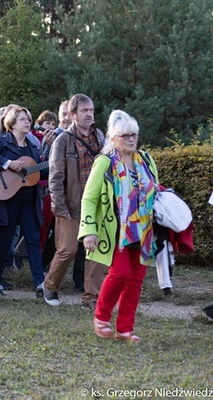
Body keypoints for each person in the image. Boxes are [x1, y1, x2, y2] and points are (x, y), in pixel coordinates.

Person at [80, 110, 158, 342]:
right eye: (125, 135)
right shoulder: (105, 162)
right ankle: (101, 317)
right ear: (114, 138)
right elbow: (89, 198)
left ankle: (125, 330)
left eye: (134, 135)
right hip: (116, 230)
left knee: (136, 280)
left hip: (143, 229)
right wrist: (89, 231)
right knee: (121, 273)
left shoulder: (146, 160)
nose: (132, 139)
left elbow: (155, 189)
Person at [44, 94, 106, 309]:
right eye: (84, 110)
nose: (89, 114)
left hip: (96, 204)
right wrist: (60, 207)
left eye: (91, 110)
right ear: (72, 114)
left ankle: (91, 297)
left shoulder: (99, 136)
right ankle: (50, 285)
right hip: (71, 204)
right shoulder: (63, 140)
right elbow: (55, 177)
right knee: (68, 250)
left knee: (96, 252)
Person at [0, 106, 47, 296]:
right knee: (5, 241)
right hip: (7, 199)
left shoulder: (33, 147)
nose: (27, 122)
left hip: (28, 201)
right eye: (22, 119)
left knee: (33, 240)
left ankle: (40, 284)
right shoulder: (3, 142)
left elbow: (40, 171)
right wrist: (9, 164)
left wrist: (56, 165)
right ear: (12, 123)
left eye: (28, 119)